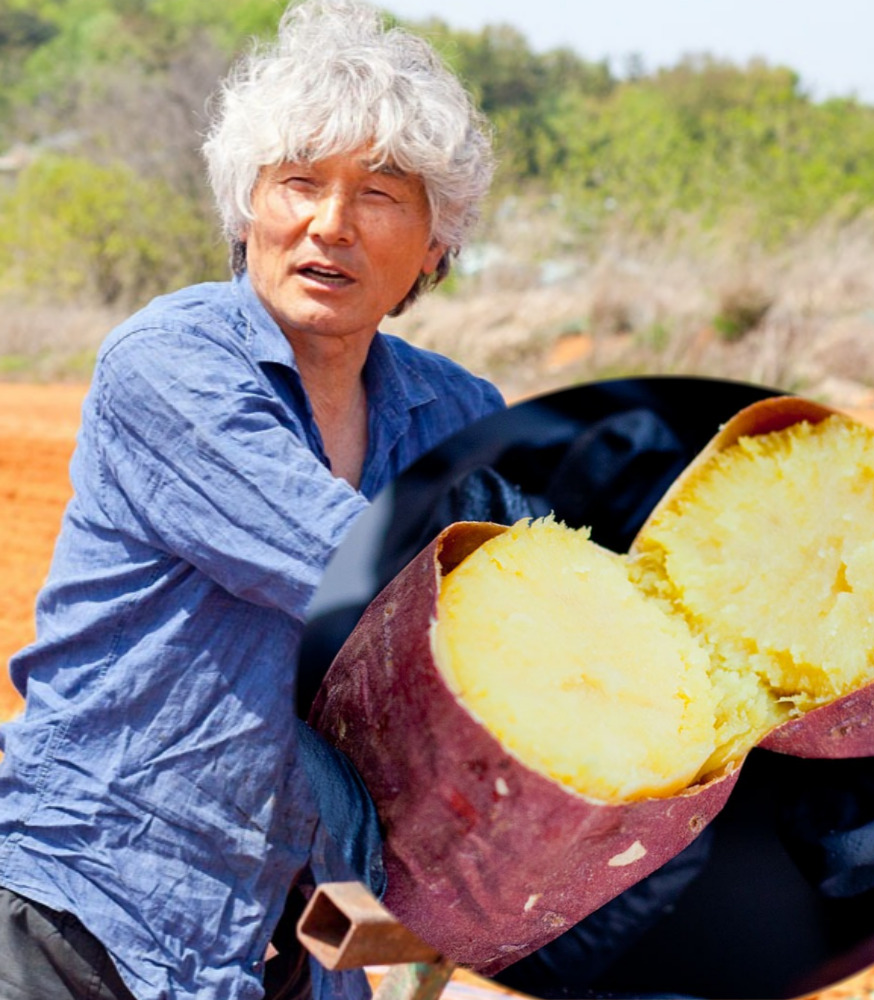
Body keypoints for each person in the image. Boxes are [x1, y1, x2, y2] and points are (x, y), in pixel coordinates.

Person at [0, 2, 503, 998]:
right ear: (246, 211)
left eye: (381, 194)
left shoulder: (457, 414)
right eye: (299, 184)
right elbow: (353, 576)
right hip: (83, 916)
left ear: (436, 244)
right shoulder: (168, 366)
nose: (331, 223)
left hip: (287, 939)